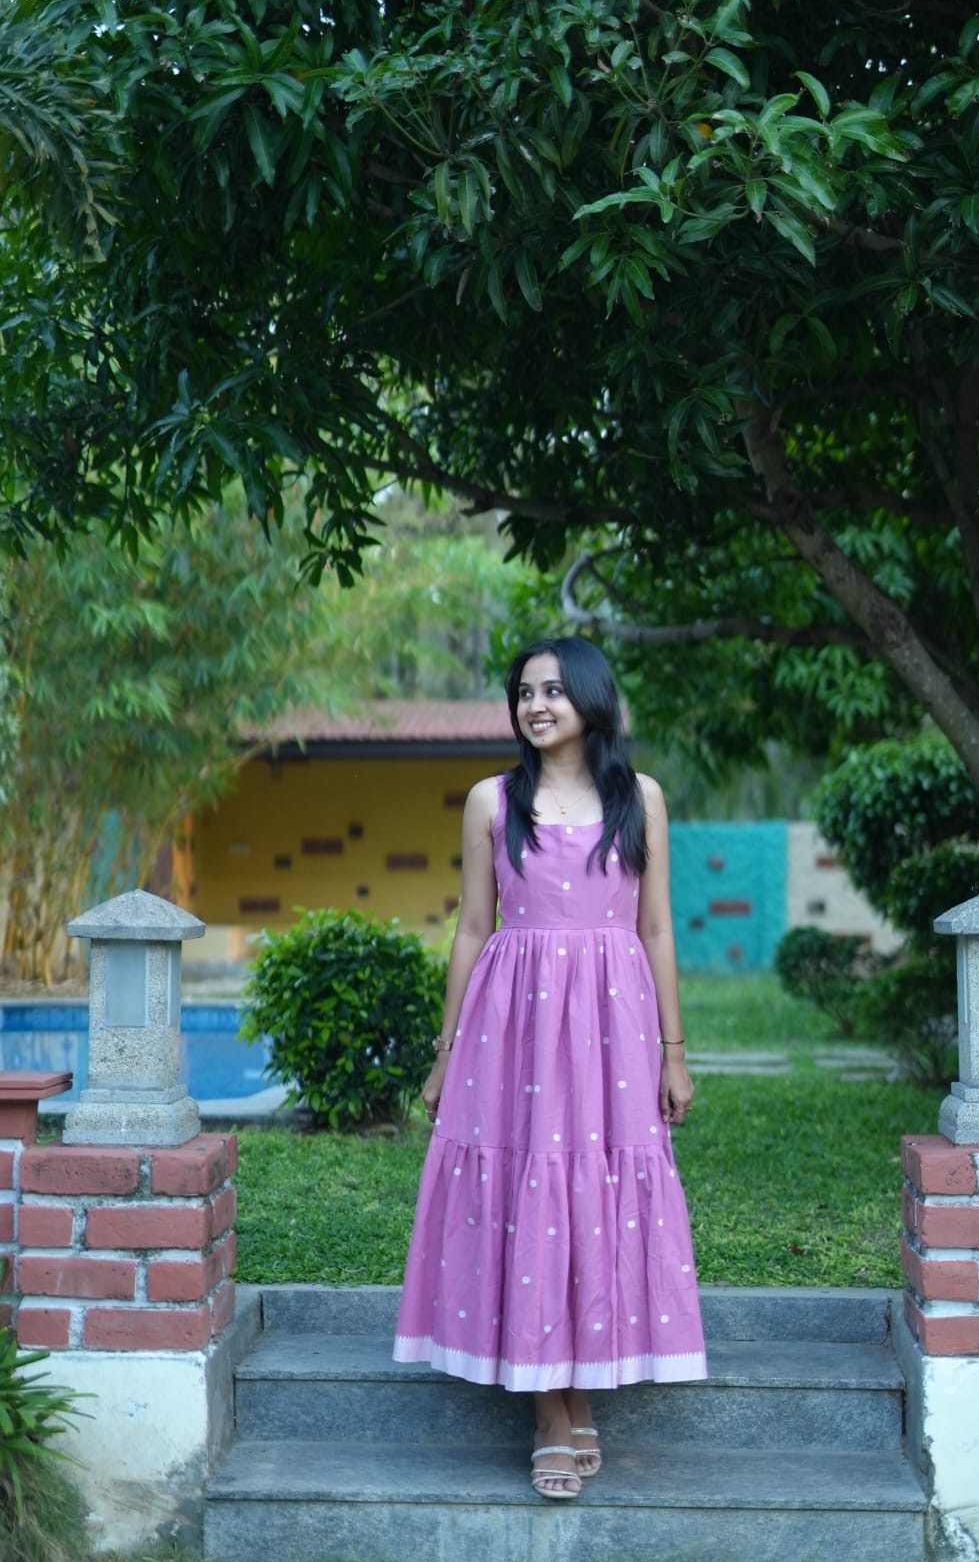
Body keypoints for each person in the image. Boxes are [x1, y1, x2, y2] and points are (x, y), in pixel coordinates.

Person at [393, 637, 707, 1499]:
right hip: (514, 1028)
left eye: (555, 691)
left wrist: (674, 1055)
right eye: (525, 692)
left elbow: (656, 930)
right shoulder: (491, 801)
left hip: (613, 1025)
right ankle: (547, 1411)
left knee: (594, 1188)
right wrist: (444, 1054)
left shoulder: (640, 798)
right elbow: (469, 928)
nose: (536, 706)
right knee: (529, 1188)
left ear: (593, 702)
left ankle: (581, 1382)